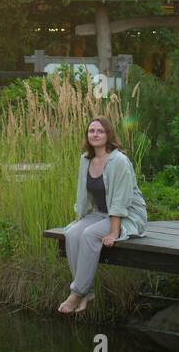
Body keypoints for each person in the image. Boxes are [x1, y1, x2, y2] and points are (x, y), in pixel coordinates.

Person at [58, 115, 148, 314]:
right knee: (72, 234)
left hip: (126, 215)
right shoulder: (86, 159)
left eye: (100, 131)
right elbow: (83, 193)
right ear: (87, 135)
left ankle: (76, 293)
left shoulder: (119, 161)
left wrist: (114, 232)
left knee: (89, 235)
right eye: (91, 131)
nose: (95, 134)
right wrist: (78, 219)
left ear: (108, 134)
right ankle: (87, 292)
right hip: (100, 214)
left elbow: (120, 199)